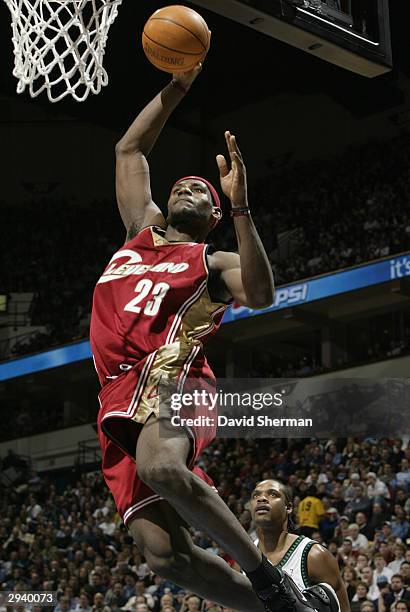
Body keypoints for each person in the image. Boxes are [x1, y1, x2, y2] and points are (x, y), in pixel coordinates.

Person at [89, 64, 301, 612]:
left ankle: (266, 575)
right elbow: (128, 152)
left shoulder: (210, 258)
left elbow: (260, 294)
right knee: (165, 557)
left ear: (210, 218)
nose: (187, 187)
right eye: (181, 184)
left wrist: (241, 207)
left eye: (202, 192)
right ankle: (285, 609)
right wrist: (176, 88)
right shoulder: (140, 233)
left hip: (175, 376)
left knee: (162, 467)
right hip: (116, 393)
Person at [249, 479, 351, 612]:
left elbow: (343, 608)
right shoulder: (242, 557)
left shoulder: (314, 555)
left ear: (289, 507)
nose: (261, 498)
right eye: (255, 495)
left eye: (272, 494)